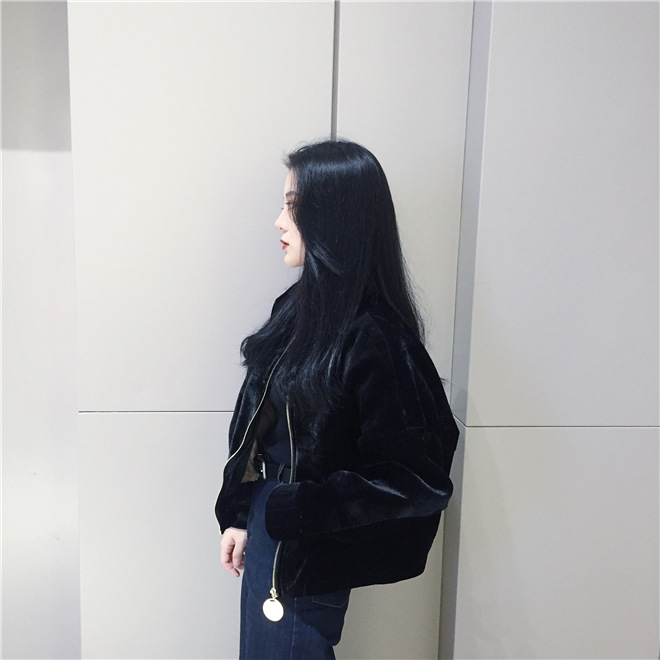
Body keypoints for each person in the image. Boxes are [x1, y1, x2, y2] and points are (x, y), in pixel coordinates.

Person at [215, 139, 459, 659]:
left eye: (293, 206)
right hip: (271, 528)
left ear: (334, 217)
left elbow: (416, 478)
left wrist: (297, 510)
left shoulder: (375, 335)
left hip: (302, 546)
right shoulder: (297, 310)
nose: (279, 222)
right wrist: (241, 512)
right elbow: (259, 425)